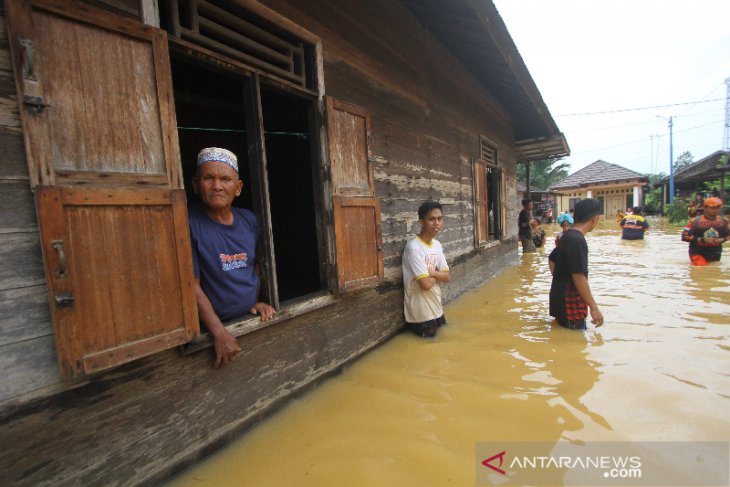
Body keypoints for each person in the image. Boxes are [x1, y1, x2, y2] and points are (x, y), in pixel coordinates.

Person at [189, 147, 276, 368]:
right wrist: (218, 332)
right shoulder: (187, 224)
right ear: (195, 185)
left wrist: (255, 301)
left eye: (225, 179)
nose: (217, 186)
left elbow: (254, 265)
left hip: (248, 317)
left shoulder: (248, 220)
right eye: (209, 178)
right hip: (214, 329)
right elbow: (191, 286)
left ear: (237, 188)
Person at [549, 198, 604, 330]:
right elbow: (578, 276)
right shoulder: (577, 240)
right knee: (576, 344)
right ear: (595, 219)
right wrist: (594, 308)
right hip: (571, 306)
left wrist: (559, 280)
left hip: (558, 300)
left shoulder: (566, 236)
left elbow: (551, 259)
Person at [402, 201, 450, 338]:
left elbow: (447, 276)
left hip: (437, 306)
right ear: (421, 223)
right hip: (421, 313)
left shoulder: (437, 245)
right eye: (431, 219)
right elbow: (425, 285)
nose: (437, 223)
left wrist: (433, 273)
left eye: (439, 219)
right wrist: (438, 276)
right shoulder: (414, 248)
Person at [681, 197, 730, 266]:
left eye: (718, 207)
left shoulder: (724, 221)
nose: (716, 210)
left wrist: (722, 239)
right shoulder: (694, 221)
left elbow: (728, 235)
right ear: (705, 208)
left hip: (715, 251)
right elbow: (684, 237)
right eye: (713, 207)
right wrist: (702, 240)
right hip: (698, 251)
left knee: (714, 270)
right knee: (701, 267)